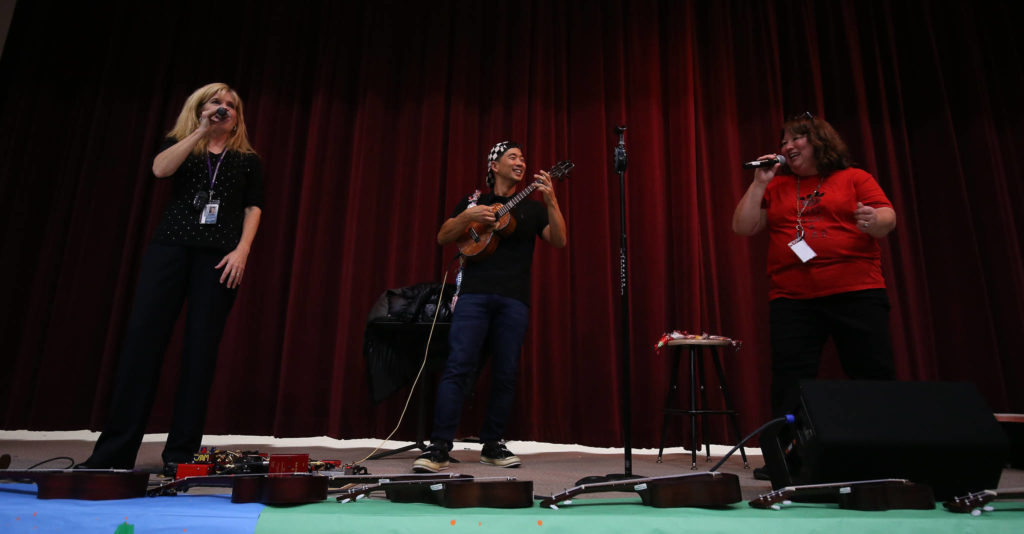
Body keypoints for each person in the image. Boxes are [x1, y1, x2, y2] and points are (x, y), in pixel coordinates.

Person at [79, 83, 263, 474]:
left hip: (219, 259)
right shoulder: (181, 144)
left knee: (200, 355)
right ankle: (114, 453)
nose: (223, 108)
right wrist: (199, 131)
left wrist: (242, 250)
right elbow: (160, 169)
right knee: (142, 347)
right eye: (216, 102)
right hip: (170, 251)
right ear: (199, 107)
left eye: (230, 105)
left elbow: (253, 206)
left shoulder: (247, 159)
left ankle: (181, 457)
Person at [732, 113, 896, 478]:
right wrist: (759, 183)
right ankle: (786, 460)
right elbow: (742, 226)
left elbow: (887, 217)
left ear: (820, 141)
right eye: (784, 141)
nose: (788, 146)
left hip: (856, 291)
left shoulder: (855, 178)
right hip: (792, 298)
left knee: (872, 373)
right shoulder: (776, 187)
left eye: (797, 139)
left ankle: (881, 456)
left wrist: (875, 220)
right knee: (790, 382)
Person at [412, 141, 567, 473]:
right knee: (458, 366)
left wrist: (551, 199)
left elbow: (559, 240)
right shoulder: (474, 201)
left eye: (524, 157)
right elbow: (443, 236)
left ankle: (492, 444)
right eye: (513, 156)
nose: (521, 161)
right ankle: (439, 446)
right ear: (494, 165)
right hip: (474, 296)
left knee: (506, 372)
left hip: (514, 298)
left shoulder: (533, 208)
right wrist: (468, 216)